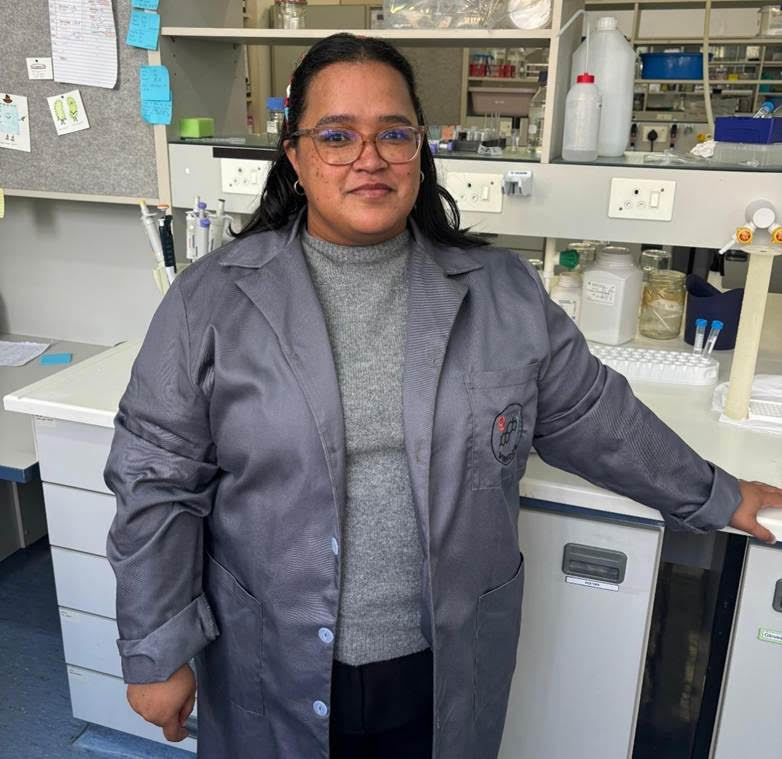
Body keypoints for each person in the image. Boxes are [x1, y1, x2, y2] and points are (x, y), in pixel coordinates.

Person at [104, 33, 781, 759]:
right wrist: (156, 648)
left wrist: (714, 493)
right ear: (296, 156)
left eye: (394, 134)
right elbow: (156, 479)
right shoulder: (212, 300)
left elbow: (593, 415)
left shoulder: (501, 293)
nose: (370, 157)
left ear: (419, 151)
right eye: (337, 136)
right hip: (270, 657)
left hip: (444, 660)